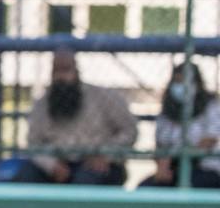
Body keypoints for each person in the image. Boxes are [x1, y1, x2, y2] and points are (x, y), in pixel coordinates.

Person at [12, 48, 137, 186]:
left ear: (76, 72)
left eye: (66, 70)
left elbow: (129, 130)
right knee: (23, 175)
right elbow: (33, 142)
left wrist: (106, 155)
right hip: (58, 163)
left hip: (95, 162)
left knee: (86, 181)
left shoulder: (104, 97)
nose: (61, 77)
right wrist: (51, 165)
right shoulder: (42, 105)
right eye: (56, 71)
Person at [139, 62, 220, 189]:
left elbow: (208, 143)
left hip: (203, 168)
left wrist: (175, 161)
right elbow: (159, 145)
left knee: (194, 185)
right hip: (172, 170)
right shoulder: (167, 111)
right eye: (177, 81)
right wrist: (163, 167)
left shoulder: (210, 107)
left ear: (197, 85)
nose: (182, 86)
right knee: (145, 188)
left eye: (187, 81)